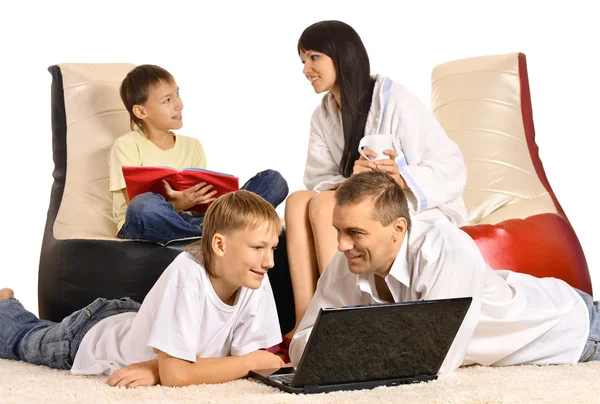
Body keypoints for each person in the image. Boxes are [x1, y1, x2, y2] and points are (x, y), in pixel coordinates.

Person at [289, 171, 599, 371]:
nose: (342, 245)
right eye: (338, 231)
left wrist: (345, 339)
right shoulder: (347, 260)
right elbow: (301, 347)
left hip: (571, 328)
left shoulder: (444, 247)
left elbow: (431, 360)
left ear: (398, 228)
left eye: (355, 232)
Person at [284, 20, 467, 335]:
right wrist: (352, 178)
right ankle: (306, 318)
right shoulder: (323, 114)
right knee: (298, 200)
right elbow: (316, 176)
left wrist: (402, 173)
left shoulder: (394, 99)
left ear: (341, 56)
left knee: (324, 204)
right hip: (358, 204)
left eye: (314, 57)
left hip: (404, 204)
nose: (306, 69)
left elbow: (450, 165)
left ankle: (342, 317)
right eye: (303, 61)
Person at [0, 190, 285, 387]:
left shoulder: (253, 275)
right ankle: (6, 304)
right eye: (258, 247)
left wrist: (157, 367)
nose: (269, 261)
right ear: (220, 245)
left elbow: (249, 360)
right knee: (23, 339)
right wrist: (169, 368)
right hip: (92, 334)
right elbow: (179, 375)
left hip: (138, 318)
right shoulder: (187, 273)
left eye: (272, 247)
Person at [108, 64, 289, 244]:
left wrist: (207, 200)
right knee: (143, 204)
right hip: (144, 223)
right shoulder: (126, 145)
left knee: (274, 181)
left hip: (193, 222)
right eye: (167, 100)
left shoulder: (192, 146)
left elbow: (198, 211)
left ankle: (209, 232)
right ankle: (221, 232)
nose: (180, 105)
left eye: (177, 95)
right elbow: (134, 204)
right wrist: (178, 205)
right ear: (141, 111)